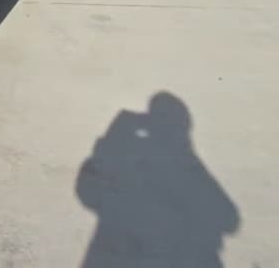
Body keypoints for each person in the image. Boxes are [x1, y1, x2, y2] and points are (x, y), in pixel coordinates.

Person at [76, 92, 239, 268]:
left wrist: (109, 143)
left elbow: (87, 190)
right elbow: (229, 218)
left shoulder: (121, 156)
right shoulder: (183, 164)